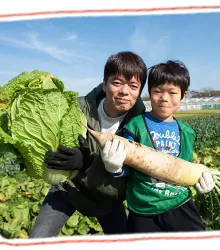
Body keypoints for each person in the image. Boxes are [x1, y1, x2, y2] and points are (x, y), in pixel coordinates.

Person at [29, 51, 147, 238]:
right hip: (68, 187)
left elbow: (133, 179)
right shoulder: (77, 108)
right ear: (105, 83)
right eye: (117, 83)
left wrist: (87, 163)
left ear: (140, 91)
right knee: (37, 239)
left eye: (133, 86)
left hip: (107, 196)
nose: (125, 91)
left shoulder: (141, 126)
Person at [101, 60, 216, 233]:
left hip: (179, 205)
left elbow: (185, 168)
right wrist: (115, 168)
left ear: (183, 96)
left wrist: (201, 182)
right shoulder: (135, 126)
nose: (164, 98)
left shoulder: (187, 132)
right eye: (157, 91)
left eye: (172, 92)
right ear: (149, 93)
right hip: (142, 208)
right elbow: (126, 168)